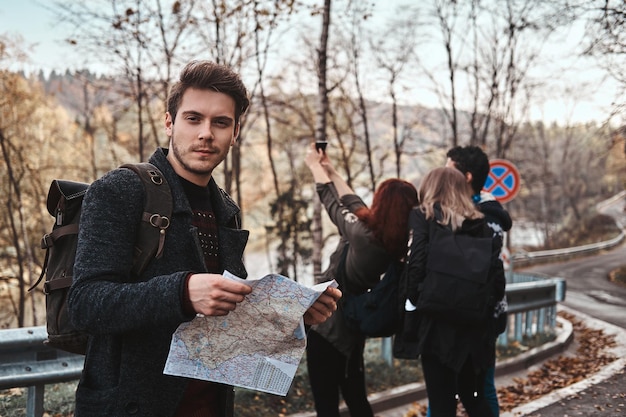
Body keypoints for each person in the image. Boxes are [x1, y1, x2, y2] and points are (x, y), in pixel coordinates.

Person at [68, 60, 342, 417]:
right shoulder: (120, 190)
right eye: (193, 118)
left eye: (221, 122)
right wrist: (182, 292)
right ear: (170, 122)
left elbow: (224, 324)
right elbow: (85, 305)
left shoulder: (225, 208)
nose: (206, 133)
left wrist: (289, 318)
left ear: (236, 131)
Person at [304, 143, 419, 417]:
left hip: (328, 330)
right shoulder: (392, 239)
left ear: (382, 204)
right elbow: (354, 203)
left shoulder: (365, 238)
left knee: (327, 405)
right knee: (356, 400)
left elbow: (333, 203)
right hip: (353, 329)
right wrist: (331, 170)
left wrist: (314, 167)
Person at [404, 167, 505, 417]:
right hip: (475, 326)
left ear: (430, 187)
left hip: (437, 325)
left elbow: (416, 263)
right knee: (474, 397)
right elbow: (497, 277)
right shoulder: (481, 222)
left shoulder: (424, 216)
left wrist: (418, 300)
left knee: (441, 403)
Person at [444, 145, 513, 417]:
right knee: (446, 389)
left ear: (467, 177)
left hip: (480, 317)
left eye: (449, 170)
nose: (443, 175)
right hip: (459, 314)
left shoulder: (486, 217)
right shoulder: (459, 210)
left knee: (480, 389)